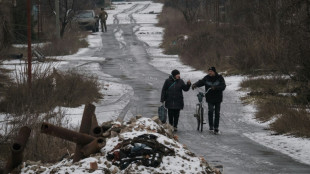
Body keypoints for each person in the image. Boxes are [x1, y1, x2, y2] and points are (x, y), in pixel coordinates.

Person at [192, 67, 226, 134]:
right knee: (210, 111)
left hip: (218, 98)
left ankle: (216, 127)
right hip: (209, 97)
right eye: (209, 71)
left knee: (217, 113)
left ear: (214, 72)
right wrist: (195, 84)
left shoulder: (219, 78)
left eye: (211, 71)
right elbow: (201, 82)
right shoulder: (206, 78)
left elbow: (223, 86)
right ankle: (211, 127)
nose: (209, 72)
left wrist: (216, 88)